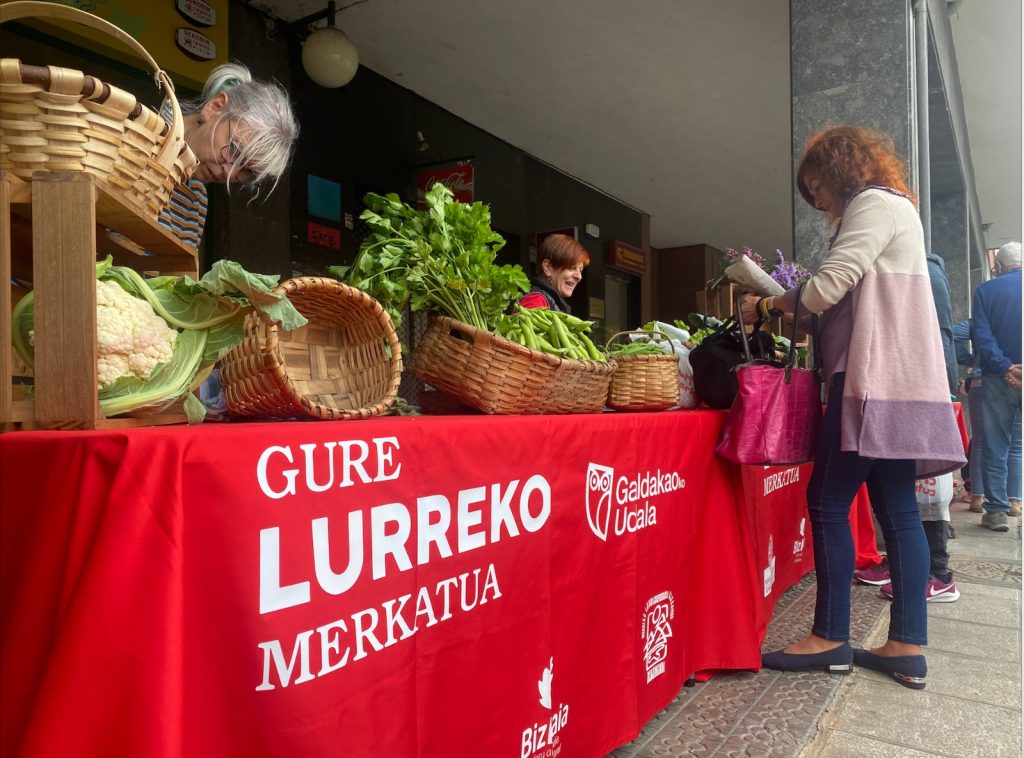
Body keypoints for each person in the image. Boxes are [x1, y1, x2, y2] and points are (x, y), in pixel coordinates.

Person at [743, 126, 965, 689]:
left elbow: (827, 287)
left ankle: (829, 637)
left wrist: (768, 305)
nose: (817, 200)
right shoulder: (899, 210)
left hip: (868, 380)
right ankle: (906, 646)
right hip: (899, 381)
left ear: (840, 168)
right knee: (897, 511)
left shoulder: (871, 204)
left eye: (817, 186)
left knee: (826, 499)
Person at [159, 62, 299, 250]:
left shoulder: (196, 199)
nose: (230, 172)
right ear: (215, 107)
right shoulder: (132, 132)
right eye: (234, 148)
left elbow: (175, 275)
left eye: (247, 170)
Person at [971, 241, 1023, 532]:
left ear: (999, 266)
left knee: (995, 444)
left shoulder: (986, 291)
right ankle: (1016, 499)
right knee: (1017, 444)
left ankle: (996, 511)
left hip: (997, 378)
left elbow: (982, 335)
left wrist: (1006, 367)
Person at [519, 234, 589, 312]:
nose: (579, 276)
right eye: (572, 268)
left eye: (580, 270)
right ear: (548, 267)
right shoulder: (536, 301)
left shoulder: (546, 299)